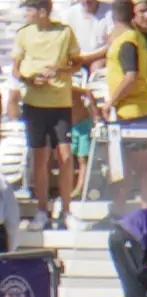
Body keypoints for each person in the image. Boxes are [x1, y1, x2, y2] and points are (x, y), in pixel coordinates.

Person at [15, 0, 82, 231]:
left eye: (30, 9)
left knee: (65, 156)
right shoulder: (24, 34)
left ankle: (66, 210)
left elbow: (77, 63)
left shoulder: (64, 32)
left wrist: (59, 70)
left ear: (43, 12)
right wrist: (30, 79)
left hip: (60, 103)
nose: (26, 13)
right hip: (34, 103)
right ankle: (42, 211)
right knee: (39, 158)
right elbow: (16, 68)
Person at [105, 0, 147, 205]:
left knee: (140, 166)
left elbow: (131, 76)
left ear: (113, 18)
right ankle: (121, 210)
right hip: (129, 109)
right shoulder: (133, 37)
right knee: (124, 166)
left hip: (132, 112)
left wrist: (110, 102)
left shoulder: (127, 41)